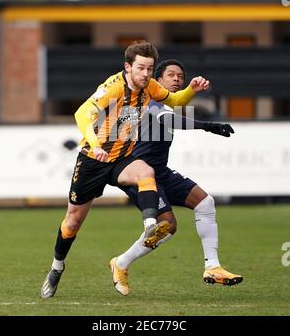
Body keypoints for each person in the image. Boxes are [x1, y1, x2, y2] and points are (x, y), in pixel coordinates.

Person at [41, 42, 210, 299]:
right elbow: (82, 113)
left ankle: (151, 224)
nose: (145, 74)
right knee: (73, 222)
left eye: (150, 69)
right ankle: (56, 267)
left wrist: (191, 90)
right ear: (128, 67)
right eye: (140, 68)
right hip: (92, 160)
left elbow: (175, 100)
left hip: (121, 158)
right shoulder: (114, 87)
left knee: (146, 172)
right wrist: (96, 145)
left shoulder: (150, 86)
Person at [110, 59, 243, 296]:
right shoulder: (148, 101)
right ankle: (121, 264)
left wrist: (190, 89)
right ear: (157, 81)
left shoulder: (164, 103)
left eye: (180, 76)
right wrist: (207, 125)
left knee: (205, 202)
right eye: (170, 75)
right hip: (140, 175)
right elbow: (166, 119)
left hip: (160, 172)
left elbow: (170, 109)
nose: (176, 79)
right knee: (168, 226)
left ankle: (212, 267)